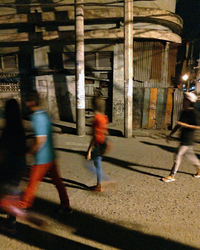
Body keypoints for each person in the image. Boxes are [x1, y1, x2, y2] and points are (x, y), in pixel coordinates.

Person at [18, 91, 72, 214]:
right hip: (50, 155)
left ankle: (24, 204)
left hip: (42, 158)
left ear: (31, 102)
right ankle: (66, 205)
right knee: (58, 182)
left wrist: (30, 153)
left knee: (32, 182)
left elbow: (41, 140)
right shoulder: (44, 115)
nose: (25, 103)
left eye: (27, 101)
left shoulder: (36, 117)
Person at [0, 99, 34, 232]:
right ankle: (11, 221)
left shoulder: (8, 131)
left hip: (8, 167)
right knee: (13, 193)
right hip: (19, 166)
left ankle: (13, 220)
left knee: (6, 194)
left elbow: (3, 152)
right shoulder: (20, 129)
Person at [162, 92, 200, 183]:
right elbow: (178, 124)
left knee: (178, 156)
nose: (183, 101)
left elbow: (198, 126)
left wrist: (185, 125)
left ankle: (172, 175)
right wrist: (170, 135)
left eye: (185, 100)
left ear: (190, 101)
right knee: (191, 156)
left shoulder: (194, 113)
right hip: (183, 138)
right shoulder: (183, 111)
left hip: (188, 138)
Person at [86, 96, 110, 192]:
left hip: (97, 144)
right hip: (103, 142)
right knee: (97, 164)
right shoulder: (104, 117)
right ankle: (100, 183)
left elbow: (94, 136)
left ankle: (101, 183)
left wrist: (89, 150)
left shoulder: (96, 118)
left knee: (91, 164)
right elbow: (105, 132)